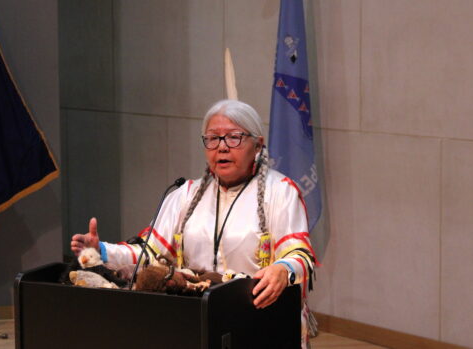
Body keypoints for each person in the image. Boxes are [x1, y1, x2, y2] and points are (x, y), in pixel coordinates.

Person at [71, 99, 316, 346]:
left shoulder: (280, 192)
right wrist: (101, 250)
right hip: (195, 319)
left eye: (234, 137)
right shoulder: (184, 195)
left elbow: (299, 255)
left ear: (258, 145)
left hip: (259, 318)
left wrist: (283, 269)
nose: (222, 147)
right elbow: (149, 253)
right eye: (212, 139)